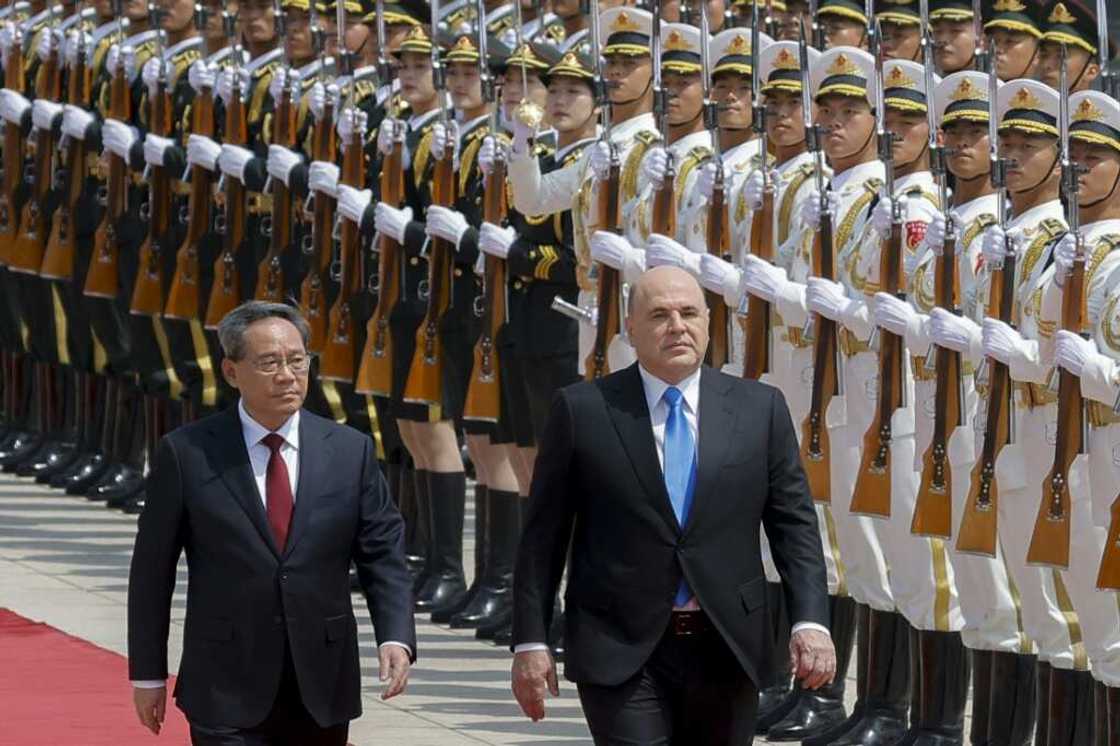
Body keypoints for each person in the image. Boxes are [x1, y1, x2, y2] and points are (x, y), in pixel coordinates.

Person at [510, 265, 834, 744]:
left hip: (727, 644)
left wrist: (810, 621)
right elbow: (543, 538)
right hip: (619, 644)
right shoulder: (584, 410)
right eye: (659, 315)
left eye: (688, 313)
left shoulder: (759, 409)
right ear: (630, 328)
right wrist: (531, 641)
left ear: (708, 322)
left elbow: (795, 527)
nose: (677, 326)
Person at [127, 301, 416, 745]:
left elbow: (383, 554)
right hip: (224, 682)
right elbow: (152, 572)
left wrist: (395, 636)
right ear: (230, 371)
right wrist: (147, 674)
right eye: (269, 363)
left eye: (297, 360)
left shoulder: (348, 451)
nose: (287, 375)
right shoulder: (188, 454)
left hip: (322, 683)